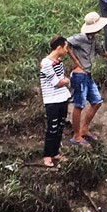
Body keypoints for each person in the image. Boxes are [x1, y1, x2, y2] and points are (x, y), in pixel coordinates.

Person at [67, 12, 107, 146]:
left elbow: (100, 50)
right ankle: (76, 135)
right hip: (79, 75)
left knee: (97, 101)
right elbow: (65, 44)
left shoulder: (93, 39)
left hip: (87, 75)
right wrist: (74, 60)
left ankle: (84, 129)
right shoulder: (80, 38)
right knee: (79, 105)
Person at [39, 36, 72, 166]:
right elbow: (57, 82)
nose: (67, 50)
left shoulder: (58, 62)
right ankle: (47, 155)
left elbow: (61, 78)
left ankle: (55, 153)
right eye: (65, 47)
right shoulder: (46, 63)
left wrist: (64, 81)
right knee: (52, 128)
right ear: (59, 48)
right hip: (52, 99)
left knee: (60, 127)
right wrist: (66, 81)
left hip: (62, 97)